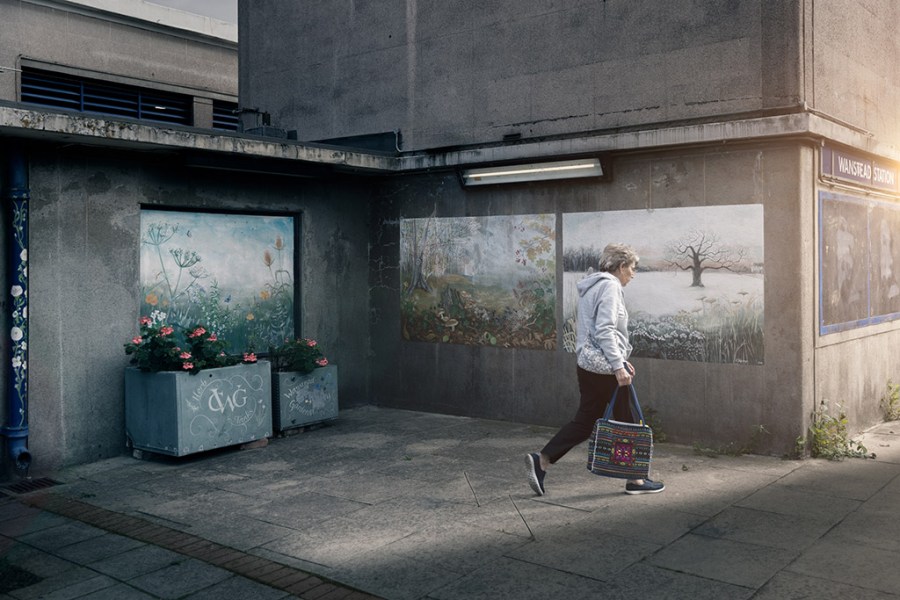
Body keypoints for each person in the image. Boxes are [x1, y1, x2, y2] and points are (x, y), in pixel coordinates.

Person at [526, 243, 664, 496]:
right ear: (621, 266)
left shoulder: (593, 285)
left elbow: (595, 330)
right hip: (604, 369)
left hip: (589, 365)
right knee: (629, 419)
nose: (633, 274)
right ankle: (636, 480)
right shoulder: (611, 287)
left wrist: (621, 359)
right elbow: (605, 329)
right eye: (632, 268)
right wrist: (616, 365)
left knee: (587, 419)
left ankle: (542, 460)